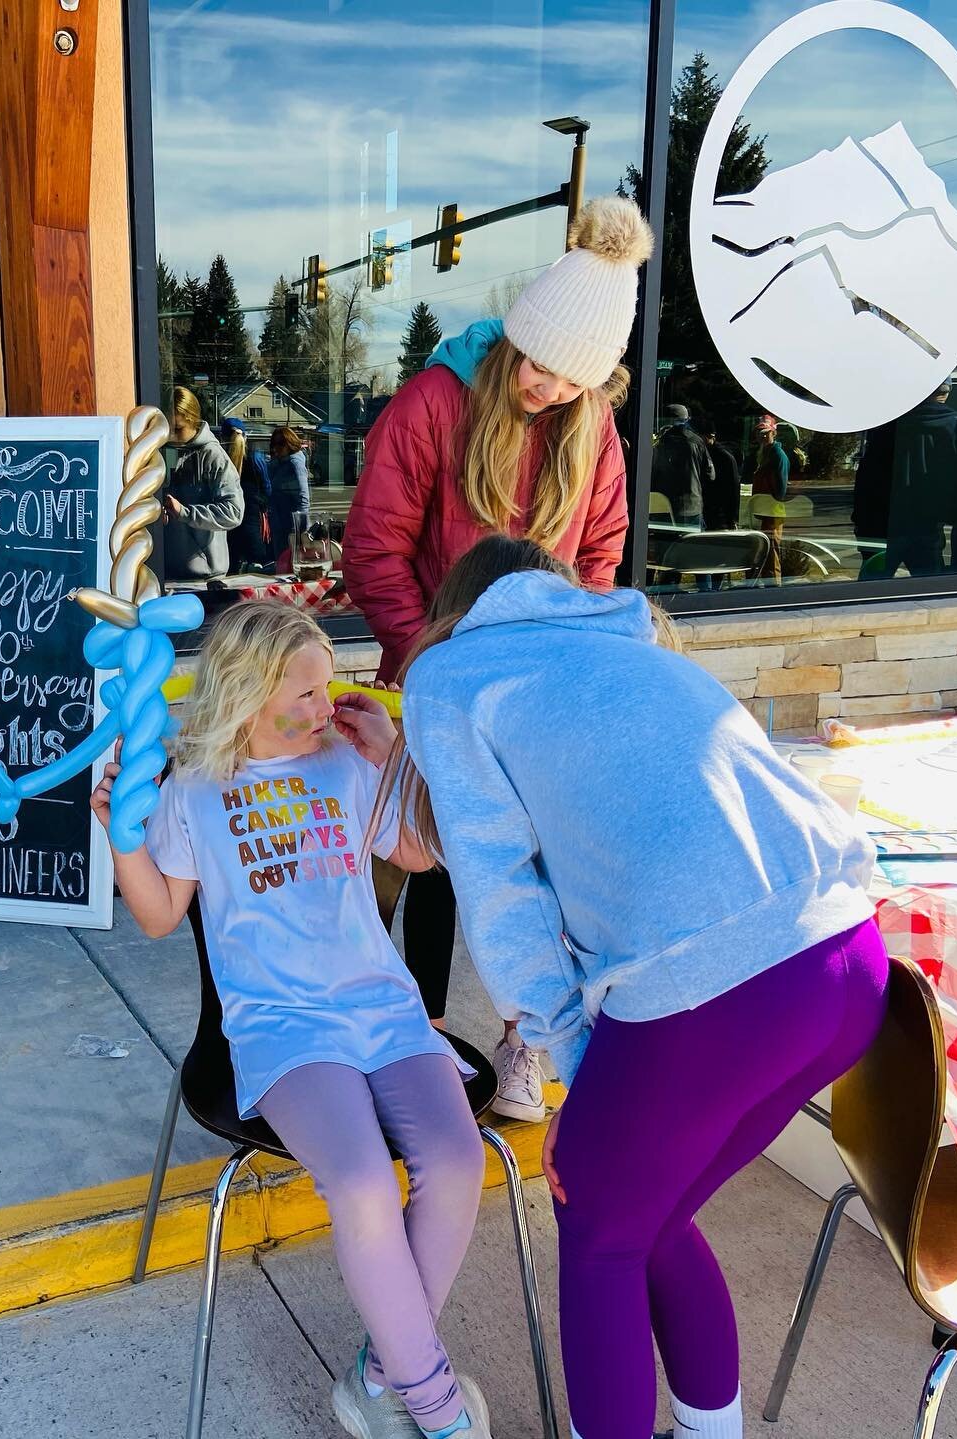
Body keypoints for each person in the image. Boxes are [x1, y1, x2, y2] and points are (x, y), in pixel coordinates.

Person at [377, 534, 885, 1439]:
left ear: (457, 609)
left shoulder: (450, 676)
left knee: (599, 1223)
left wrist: (577, 1065)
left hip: (717, 985)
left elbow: (501, 899)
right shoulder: (627, 644)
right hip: (847, 960)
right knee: (650, 1217)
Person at [94, 601, 491, 1439]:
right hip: (285, 1027)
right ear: (244, 694)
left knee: (457, 1162)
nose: (325, 706)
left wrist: (398, 755)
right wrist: (117, 829)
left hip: (384, 1011)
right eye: (306, 694)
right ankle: (435, 1404)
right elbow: (162, 913)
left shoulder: (345, 764)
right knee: (360, 1183)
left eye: (326, 687)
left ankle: (383, 1371)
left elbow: (419, 854)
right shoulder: (196, 791)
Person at [344, 196, 652, 1121]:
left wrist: (574, 658)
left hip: (540, 689)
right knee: (419, 856)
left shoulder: (591, 428)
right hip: (437, 665)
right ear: (516, 336)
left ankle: (528, 1039)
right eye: (540, 365)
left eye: (571, 380)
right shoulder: (435, 400)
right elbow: (375, 545)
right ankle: (411, 1027)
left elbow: (600, 555)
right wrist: (425, 655)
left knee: (548, 865)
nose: (548, 388)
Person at [880, 381, 957, 578]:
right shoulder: (955, 425)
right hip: (928, 520)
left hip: (889, 518)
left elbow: (872, 470)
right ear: (946, 393)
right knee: (929, 585)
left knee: (870, 585)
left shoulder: (894, 423)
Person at [164, 387, 243, 582]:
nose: (172, 435)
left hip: (206, 578)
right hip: (167, 571)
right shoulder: (161, 451)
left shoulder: (213, 456)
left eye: (178, 429)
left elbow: (234, 512)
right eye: (168, 428)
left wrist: (184, 512)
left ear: (193, 421)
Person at [218, 419, 271, 571]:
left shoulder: (221, 460)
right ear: (245, 437)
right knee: (258, 568)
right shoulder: (255, 458)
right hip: (252, 519)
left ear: (222, 438)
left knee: (231, 566)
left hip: (228, 522)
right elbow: (267, 488)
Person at [743, 414, 790, 582]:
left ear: (774, 433)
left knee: (772, 552)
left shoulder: (778, 454)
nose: (762, 437)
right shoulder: (762, 454)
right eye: (759, 433)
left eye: (766, 433)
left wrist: (769, 500)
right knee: (761, 550)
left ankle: (774, 587)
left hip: (773, 511)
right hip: (761, 511)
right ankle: (762, 582)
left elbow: (781, 490)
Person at [650, 403, 712, 527]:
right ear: (687, 420)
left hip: (662, 505)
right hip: (691, 505)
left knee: (664, 544)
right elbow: (710, 474)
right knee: (690, 544)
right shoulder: (696, 441)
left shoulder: (659, 442)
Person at [267, 425, 311, 565]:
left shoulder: (294, 464)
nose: (276, 448)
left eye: (281, 444)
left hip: (291, 526)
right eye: (274, 444)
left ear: (290, 443)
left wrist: (300, 529)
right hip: (279, 523)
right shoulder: (278, 463)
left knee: (290, 564)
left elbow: (303, 497)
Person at [699, 424, 741, 531]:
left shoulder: (725, 457)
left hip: (720, 510)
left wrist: (733, 517)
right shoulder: (703, 452)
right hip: (709, 507)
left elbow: (734, 488)